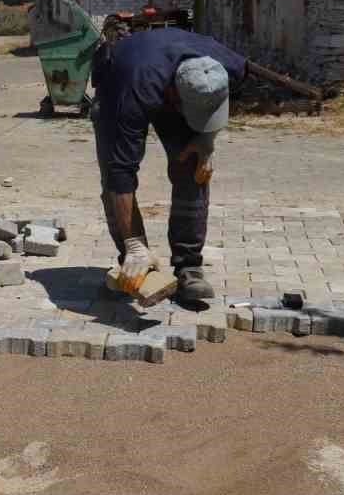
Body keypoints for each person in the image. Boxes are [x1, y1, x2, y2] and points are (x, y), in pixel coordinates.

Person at [90, 27, 246, 306]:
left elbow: (217, 102)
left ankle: (189, 267)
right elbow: (121, 173)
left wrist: (205, 139)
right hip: (121, 81)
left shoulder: (230, 67)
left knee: (194, 168)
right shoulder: (132, 94)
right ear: (174, 95)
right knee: (114, 180)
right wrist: (134, 244)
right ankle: (135, 259)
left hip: (167, 80)